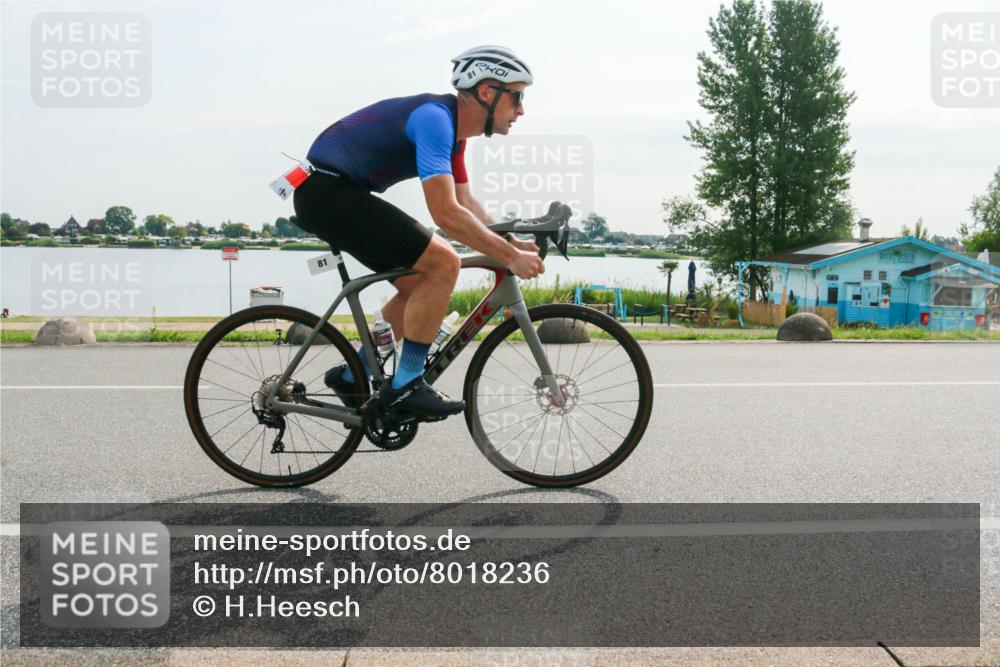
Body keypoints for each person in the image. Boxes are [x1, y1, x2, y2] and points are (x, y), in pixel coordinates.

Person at [292, 46, 545, 418]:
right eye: (517, 97)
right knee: (443, 262)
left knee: (417, 284)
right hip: (327, 191)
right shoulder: (435, 120)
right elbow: (445, 213)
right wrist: (509, 257)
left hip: (334, 192)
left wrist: (509, 241)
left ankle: (352, 375)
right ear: (486, 92)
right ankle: (407, 384)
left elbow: (465, 201)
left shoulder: (454, 134)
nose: (521, 110)